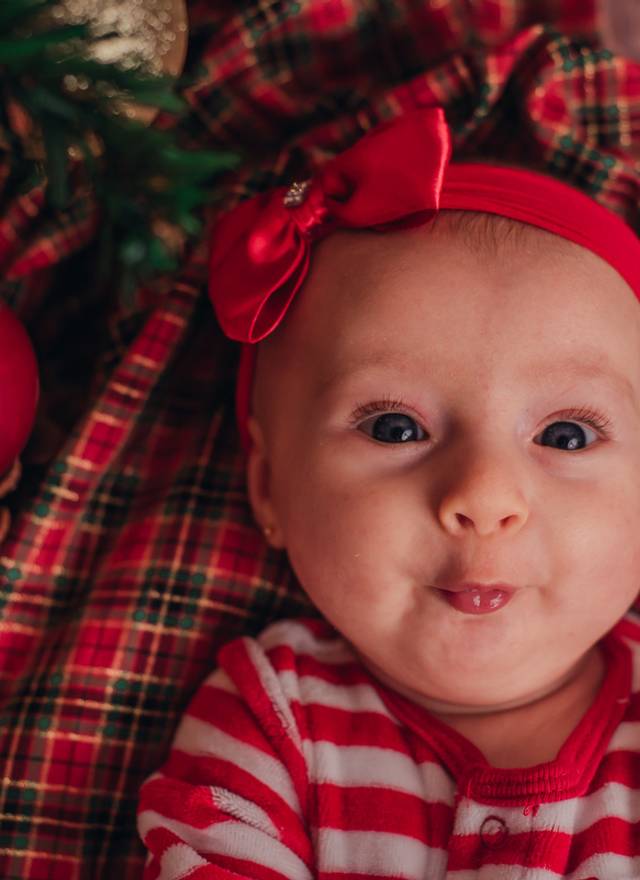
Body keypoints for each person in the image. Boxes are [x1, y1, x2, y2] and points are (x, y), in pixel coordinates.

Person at [137, 107, 640, 877]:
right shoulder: (274, 717)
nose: (483, 495)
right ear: (269, 487)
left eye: (566, 436)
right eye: (396, 428)